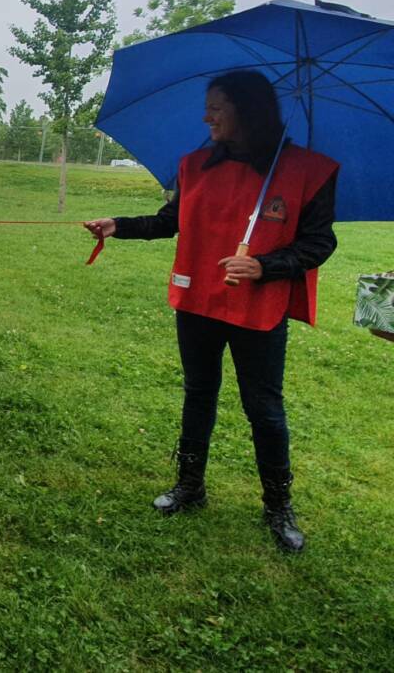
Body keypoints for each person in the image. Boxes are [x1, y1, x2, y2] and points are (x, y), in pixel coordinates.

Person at [84, 69, 338, 553]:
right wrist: (117, 225)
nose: (207, 117)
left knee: (263, 407)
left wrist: (264, 266)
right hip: (199, 301)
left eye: (217, 108)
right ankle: (190, 486)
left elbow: (319, 242)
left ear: (248, 110)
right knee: (199, 393)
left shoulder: (309, 171)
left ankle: (277, 505)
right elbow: (168, 222)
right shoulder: (196, 165)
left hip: (258, 310)